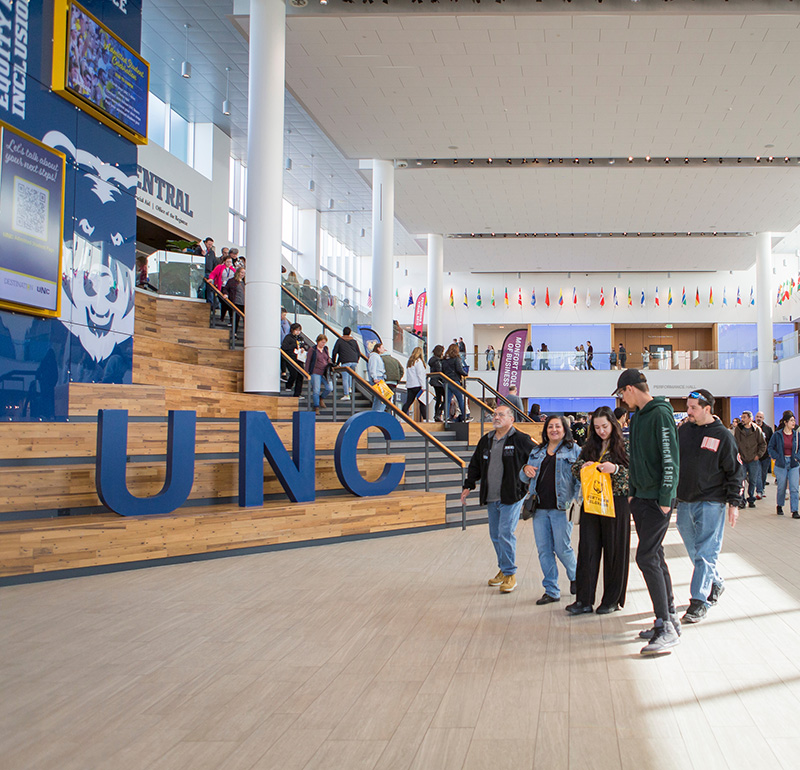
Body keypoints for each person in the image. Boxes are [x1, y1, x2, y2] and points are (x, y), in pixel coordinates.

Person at [614, 369, 681, 655]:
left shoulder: (660, 413)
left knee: (646, 556)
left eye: (621, 394)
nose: (621, 400)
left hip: (657, 499)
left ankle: (665, 625)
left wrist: (666, 497)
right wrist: (631, 491)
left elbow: (670, 457)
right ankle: (669, 617)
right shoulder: (639, 416)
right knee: (656, 555)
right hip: (640, 498)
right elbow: (635, 459)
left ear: (630, 388)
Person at [676, 389, 744, 624]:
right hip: (685, 501)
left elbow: (735, 471)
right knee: (694, 549)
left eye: (693, 408)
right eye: (688, 407)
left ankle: (698, 601)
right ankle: (716, 582)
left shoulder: (723, 435)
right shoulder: (684, 431)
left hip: (712, 501)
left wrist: (734, 502)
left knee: (706, 551)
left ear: (707, 408)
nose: (689, 411)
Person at [461, 405, 537, 594]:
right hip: (491, 495)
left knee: (505, 533)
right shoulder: (486, 440)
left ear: (511, 419)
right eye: (495, 414)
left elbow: (538, 455)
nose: (496, 417)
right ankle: (504, 569)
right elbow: (475, 464)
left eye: (501, 414)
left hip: (512, 495)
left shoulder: (521, 439)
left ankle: (510, 574)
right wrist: (468, 485)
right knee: (495, 535)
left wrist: (528, 468)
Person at [567, 407, 631, 615]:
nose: (602, 431)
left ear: (613, 424)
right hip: (593, 502)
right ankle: (583, 600)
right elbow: (575, 469)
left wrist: (616, 469)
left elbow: (635, 474)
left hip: (616, 503)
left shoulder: (625, 445)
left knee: (615, 551)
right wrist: (584, 467)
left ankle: (611, 600)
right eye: (597, 427)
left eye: (605, 426)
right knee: (587, 550)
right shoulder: (589, 446)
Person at [521, 415, 581, 605]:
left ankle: (575, 576)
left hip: (561, 509)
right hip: (539, 509)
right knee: (544, 551)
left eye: (558, 426)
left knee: (562, 548)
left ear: (564, 429)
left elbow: (581, 478)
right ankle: (551, 590)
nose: (554, 430)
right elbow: (524, 478)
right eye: (550, 427)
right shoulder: (537, 451)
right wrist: (525, 470)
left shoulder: (574, 450)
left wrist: (577, 501)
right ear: (546, 430)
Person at [768, 410, 800, 517]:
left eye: (794, 421)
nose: (793, 423)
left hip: (793, 463)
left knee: (794, 487)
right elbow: (771, 447)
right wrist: (776, 457)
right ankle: (780, 505)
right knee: (781, 486)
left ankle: (794, 510)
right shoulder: (777, 435)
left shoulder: (797, 435)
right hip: (781, 463)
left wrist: (797, 458)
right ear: (785, 422)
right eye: (791, 420)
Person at [733, 411, 766, 509]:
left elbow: (762, 444)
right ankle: (741, 500)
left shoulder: (756, 430)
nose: (742, 419)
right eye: (742, 417)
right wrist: (737, 455)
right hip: (742, 459)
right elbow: (735, 443)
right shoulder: (739, 429)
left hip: (753, 459)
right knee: (741, 480)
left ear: (750, 419)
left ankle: (751, 498)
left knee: (753, 480)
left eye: (744, 417)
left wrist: (758, 455)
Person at [331, 327, 361, 401]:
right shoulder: (354, 341)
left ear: (343, 332)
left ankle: (346, 394)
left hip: (345, 361)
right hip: (354, 361)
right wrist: (356, 360)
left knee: (345, 377)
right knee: (350, 375)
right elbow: (358, 353)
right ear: (350, 333)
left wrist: (334, 363)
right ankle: (350, 387)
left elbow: (335, 352)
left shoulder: (340, 341)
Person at [305, 334, 332, 413]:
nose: (323, 344)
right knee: (316, 390)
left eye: (324, 342)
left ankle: (321, 397)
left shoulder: (326, 349)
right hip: (315, 371)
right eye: (322, 342)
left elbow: (328, 358)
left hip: (324, 372)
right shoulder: (312, 350)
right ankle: (316, 406)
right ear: (318, 341)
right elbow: (308, 361)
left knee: (329, 388)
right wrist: (306, 372)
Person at [441, 342, 467, 422]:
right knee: (460, 399)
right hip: (455, 381)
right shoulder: (456, 359)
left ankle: (446, 417)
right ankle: (464, 416)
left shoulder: (444, 360)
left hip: (446, 381)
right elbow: (459, 369)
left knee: (447, 400)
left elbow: (443, 370)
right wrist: (465, 374)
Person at [281, 323, 307, 398]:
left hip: (299, 359)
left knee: (300, 375)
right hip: (291, 358)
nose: (298, 332)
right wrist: (294, 346)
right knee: (294, 374)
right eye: (296, 330)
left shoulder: (300, 338)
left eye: (299, 330)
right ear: (292, 330)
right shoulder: (288, 338)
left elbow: (304, 346)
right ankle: (289, 385)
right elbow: (284, 347)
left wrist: (303, 348)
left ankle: (297, 394)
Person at [403, 347, 427, 420]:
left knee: (408, 402)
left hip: (410, 385)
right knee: (422, 402)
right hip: (418, 385)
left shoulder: (410, 362)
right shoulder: (418, 361)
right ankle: (425, 418)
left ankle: (402, 416)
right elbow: (420, 374)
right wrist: (423, 386)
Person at [754, 411, 774, 497]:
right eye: (757, 416)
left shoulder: (768, 429)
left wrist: (770, 452)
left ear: (763, 418)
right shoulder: (752, 428)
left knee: (763, 473)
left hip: (766, 456)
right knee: (758, 473)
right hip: (755, 455)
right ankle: (759, 491)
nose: (759, 418)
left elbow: (771, 441)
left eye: (760, 417)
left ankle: (762, 489)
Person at [222, 267, 245, 335]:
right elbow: (226, 288)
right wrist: (225, 294)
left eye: (244, 273)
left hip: (244, 303)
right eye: (241, 272)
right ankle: (234, 333)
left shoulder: (245, 282)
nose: (243, 274)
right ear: (238, 273)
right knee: (236, 319)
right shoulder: (232, 281)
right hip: (236, 302)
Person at [368, 342, 388, 412]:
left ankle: (377, 411)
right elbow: (372, 367)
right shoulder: (374, 356)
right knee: (382, 397)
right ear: (378, 348)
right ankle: (378, 411)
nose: (384, 349)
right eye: (382, 348)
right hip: (378, 378)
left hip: (379, 377)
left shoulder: (376, 356)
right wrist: (374, 378)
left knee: (381, 398)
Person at [428, 345, 446, 422]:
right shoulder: (438, 361)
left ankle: (436, 414)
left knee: (438, 399)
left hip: (434, 381)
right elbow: (440, 372)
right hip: (438, 382)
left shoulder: (432, 360)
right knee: (446, 398)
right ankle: (438, 413)